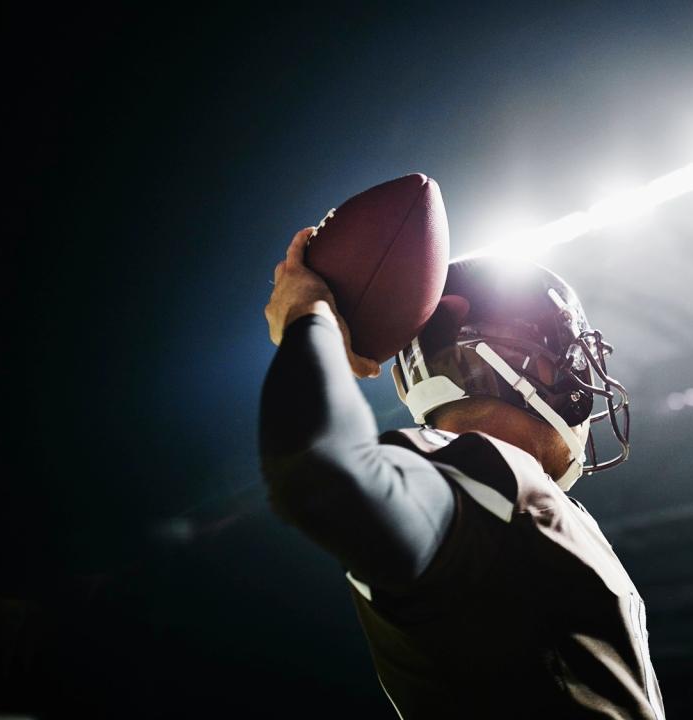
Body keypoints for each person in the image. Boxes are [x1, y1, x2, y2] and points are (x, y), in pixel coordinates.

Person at [259, 226, 665, 719]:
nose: (583, 372)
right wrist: (306, 314)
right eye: (572, 354)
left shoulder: (512, 494)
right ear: (529, 362)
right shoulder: (489, 475)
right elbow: (319, 470)